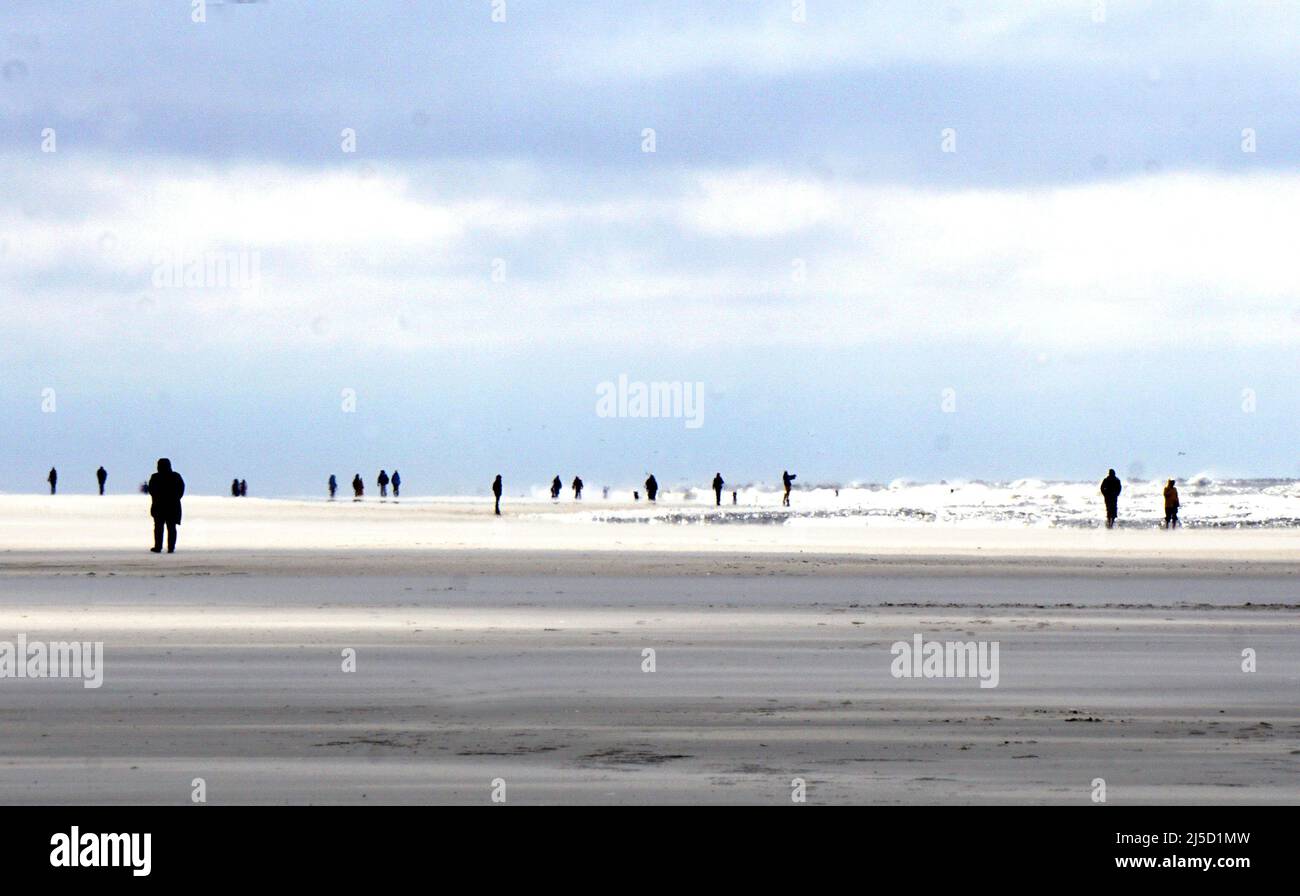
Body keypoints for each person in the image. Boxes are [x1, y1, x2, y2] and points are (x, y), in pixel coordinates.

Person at [147, 458, 185, 554]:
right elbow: (181, 489)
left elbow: (151, 490)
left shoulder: (155, 477)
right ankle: (171, 547)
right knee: (171, 527)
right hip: (173, 506)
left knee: (158, 528)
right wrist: (175, 498)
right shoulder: (176, 476)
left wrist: (157, 498)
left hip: (159, 506)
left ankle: (158, 547)